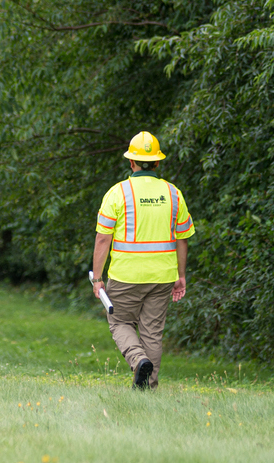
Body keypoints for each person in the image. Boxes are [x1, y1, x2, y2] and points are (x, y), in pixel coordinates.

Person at [90, 131, 195, 390]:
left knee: (119, 321)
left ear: (131, 162)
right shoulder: (173, 193)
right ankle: (149, 388)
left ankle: (138, 361)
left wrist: (98, 278)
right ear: (157, 163)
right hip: (162, 277)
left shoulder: (118, 193)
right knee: (152, 332)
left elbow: (103, 240)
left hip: (126, 276)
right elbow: (183, 239)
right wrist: (180, 276)